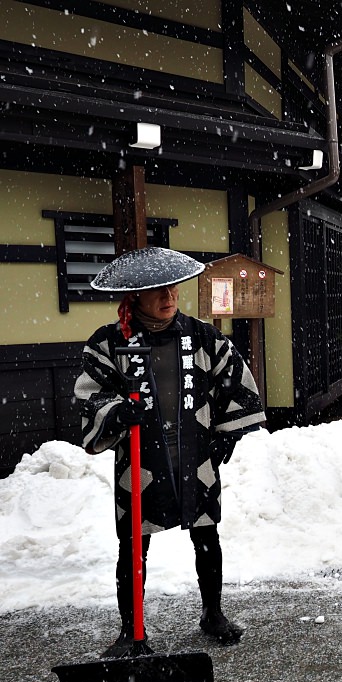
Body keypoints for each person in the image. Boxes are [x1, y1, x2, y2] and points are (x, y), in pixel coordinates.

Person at [75, 246, 266, 657]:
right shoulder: (110, 343)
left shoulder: (201, 336)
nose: (169, 298)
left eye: (173, 289)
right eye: (158, 291)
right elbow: (89, 397)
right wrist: (116, 411)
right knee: (132, 544)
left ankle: (212, 613)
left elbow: (236, 382)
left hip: (195, 456)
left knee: (207, 536)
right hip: (141, 460)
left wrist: (225, 435)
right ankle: (130, 630)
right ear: (135, 297)